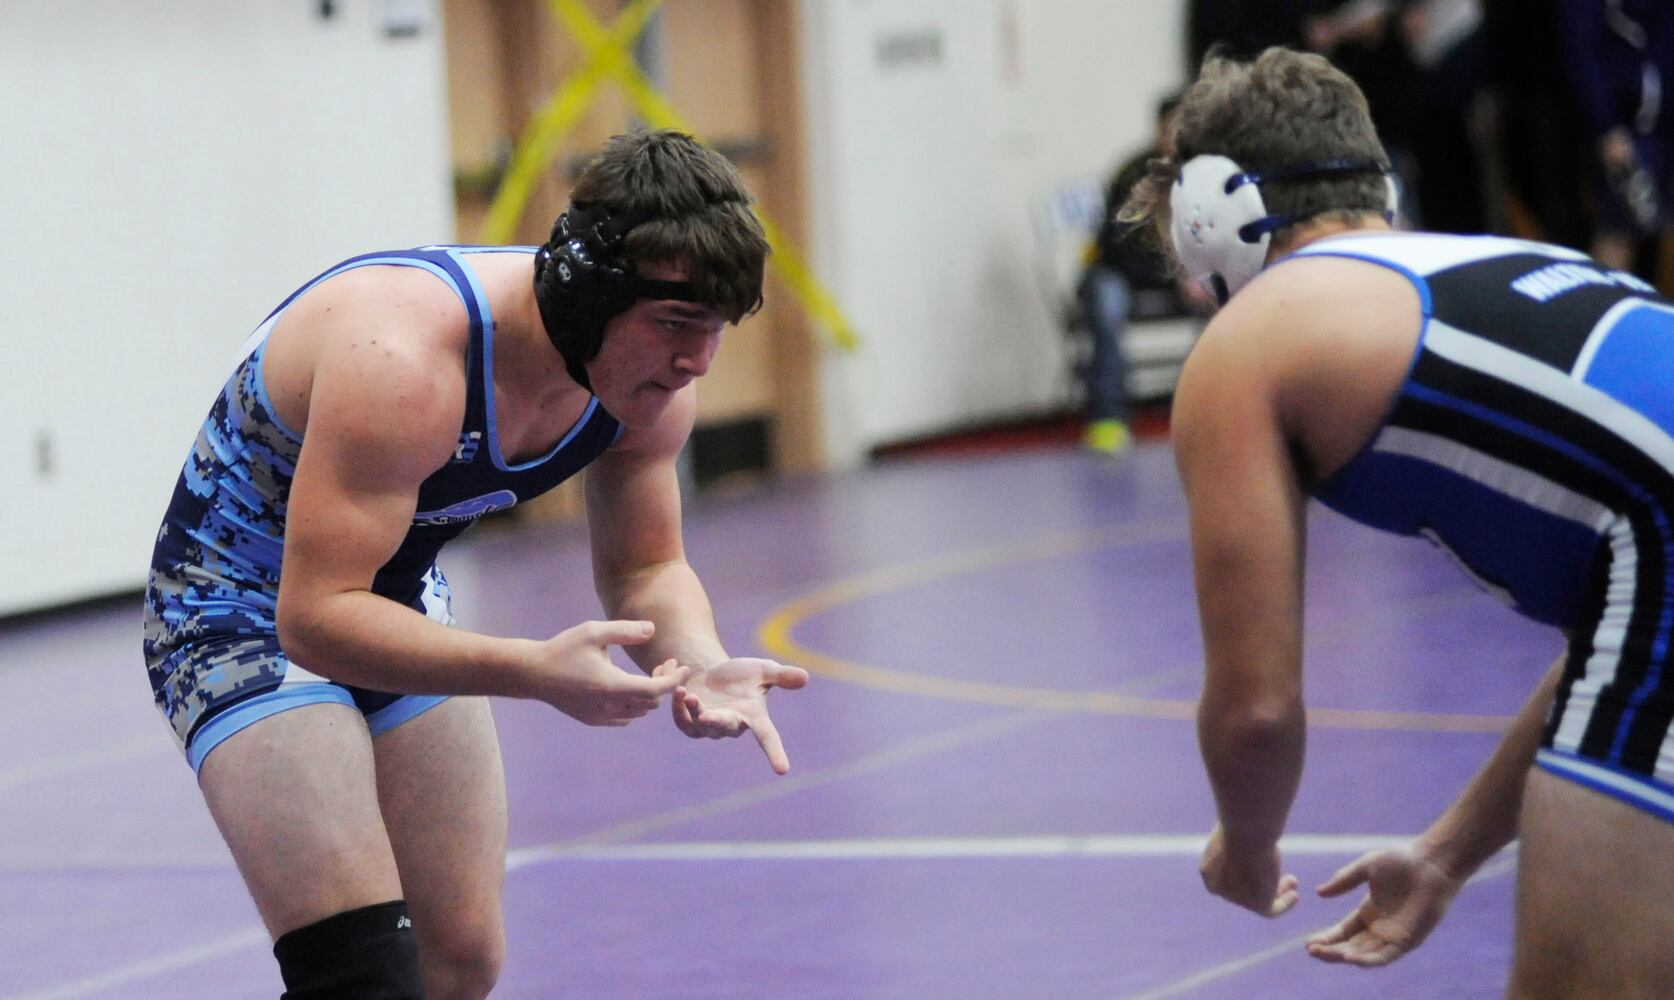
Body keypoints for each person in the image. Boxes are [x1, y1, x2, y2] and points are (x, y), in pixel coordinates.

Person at [142, 129, 808, 1000]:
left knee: (458, 963)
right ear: (588, 297)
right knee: (363, 978)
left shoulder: (650, 386)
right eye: (676, 325)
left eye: (714, 329)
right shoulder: (404, 360)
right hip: (235, 609)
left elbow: (648, 569)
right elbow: (313, 618)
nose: (697, 362)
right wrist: (533, 670)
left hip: (390, 592)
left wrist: (702, 660)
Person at [1124, 48, 1674, 998]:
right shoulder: (1518, 262)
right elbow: (1623, 640)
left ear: (1209, 211)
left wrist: (1246, 842)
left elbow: (1256, 712)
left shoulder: (1250, 341)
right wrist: (1448, 854)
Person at [1077, 91, 1202, 456]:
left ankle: (1208, 409)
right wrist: (1177, 276)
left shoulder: (1203, 175)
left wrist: (1201, 273)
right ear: (1159, 129)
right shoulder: (1133, 174)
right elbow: (1123, 245)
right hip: (1117, 271)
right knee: (1106, 304)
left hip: (1176, 276)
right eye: (1175, 126)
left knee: (1232, 297)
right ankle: (1108, 419)